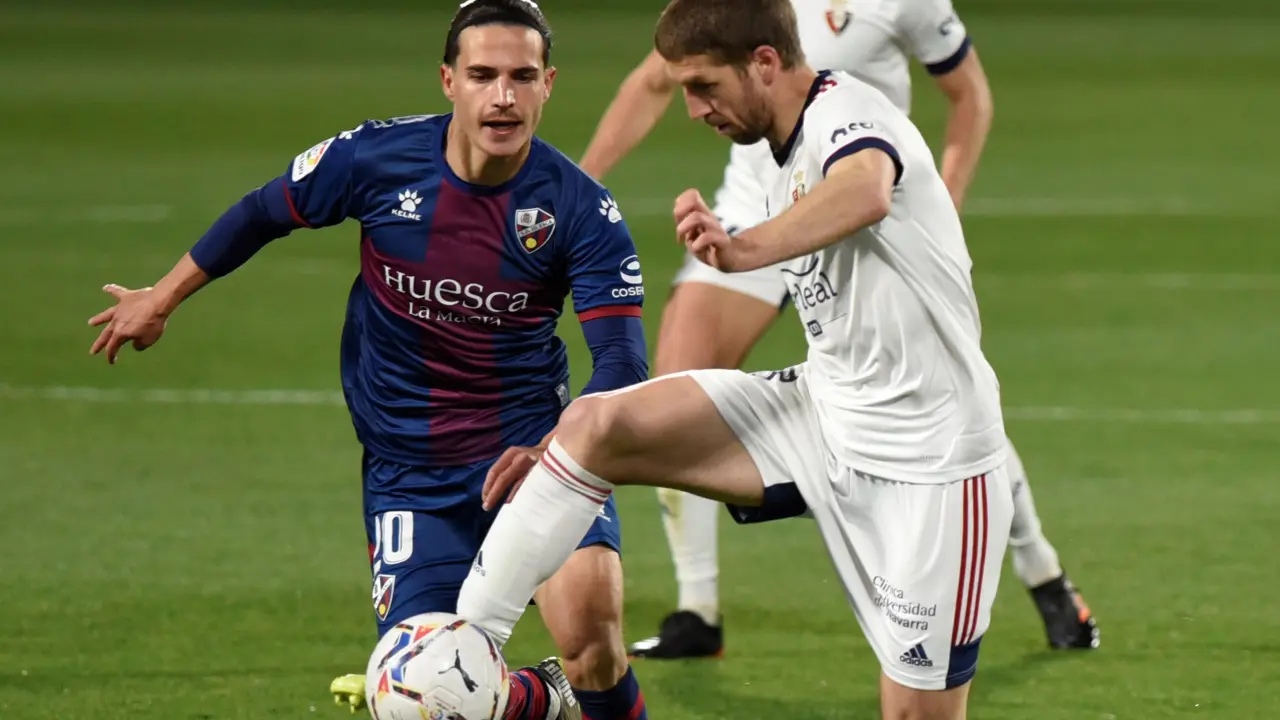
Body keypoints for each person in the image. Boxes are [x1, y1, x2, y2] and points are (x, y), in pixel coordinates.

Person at [454, 1, 1021, 716]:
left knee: (912, 712)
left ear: (764, 63)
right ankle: (461, 647)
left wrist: (741, 248)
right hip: (822, 415)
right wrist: (559, 464)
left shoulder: (847, 112)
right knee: (592, 427)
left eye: (704, 86)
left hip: (932, 465)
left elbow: (866, 189)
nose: (694, 109)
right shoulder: (778, 149)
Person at [85, 2, 651, 719]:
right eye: (483, 75)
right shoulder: (376, 158)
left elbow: (622, 364)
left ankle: (558, 688)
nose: (503, 97)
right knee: (426, 693)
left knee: (592, 638)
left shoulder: (580, 210)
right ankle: (534, 700)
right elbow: (264, 211)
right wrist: (161, 298)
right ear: (448, 81)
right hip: (409, 471)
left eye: (522, 76)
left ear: (549, 84)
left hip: (531, 459)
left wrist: (554, 451)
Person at [578, 0, 1097, 659]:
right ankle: (697, 608)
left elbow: (969, 95)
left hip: (858, 212)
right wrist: (580, 186)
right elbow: (656, 79)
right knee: (678, 377)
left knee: (930, 393)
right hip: (754, 213)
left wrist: (941, 200)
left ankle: (1039, 566)